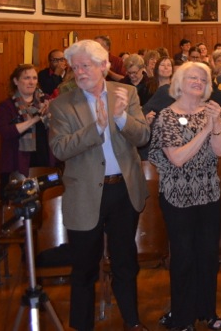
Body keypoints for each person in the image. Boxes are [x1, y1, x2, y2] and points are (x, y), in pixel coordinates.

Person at [48, 39, 150, 331]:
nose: (79, 72)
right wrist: (97, 129)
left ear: (104, 66)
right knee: (84, 269)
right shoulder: (62, 104)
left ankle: (132, 322)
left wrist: (119, 118)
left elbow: (142, 136)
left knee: (125, 263)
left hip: (123, 191)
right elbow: (60, 149)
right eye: (75, 67)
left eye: (86, 66)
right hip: (84, 195)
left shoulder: (125, 93)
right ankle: (81, 327)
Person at [149, 62, 221, 331]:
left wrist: (216, 124)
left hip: (208, 193)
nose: (198, 81)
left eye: (203, 79)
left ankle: (207, 310)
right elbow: (178, 158)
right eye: (192, 77)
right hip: (178, 197)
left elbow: (219, 151)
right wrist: (205, 129)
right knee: (183, 257)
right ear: (179, 83)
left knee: (207, 255)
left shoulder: (210, 112)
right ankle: (182, 318)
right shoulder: (167, 116)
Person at [0, 64, 55, 194]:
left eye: (34, 78)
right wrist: (35, 119)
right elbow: (6, 132)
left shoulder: (45, 101)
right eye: (27, 78)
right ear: (16, 81)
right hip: (17, 162)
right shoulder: (7, 106)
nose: (31, 82)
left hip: (44, 158)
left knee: (45, 202)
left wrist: (52, 113)